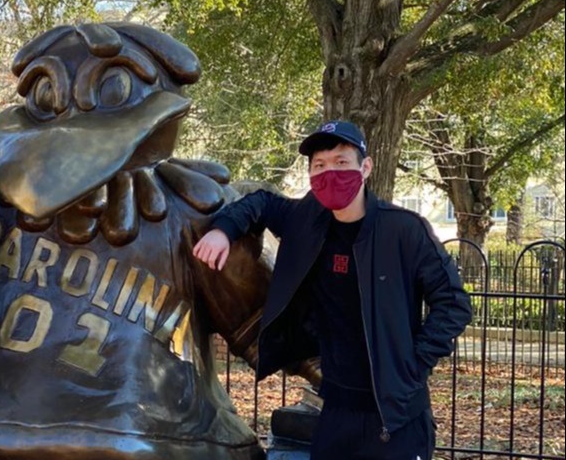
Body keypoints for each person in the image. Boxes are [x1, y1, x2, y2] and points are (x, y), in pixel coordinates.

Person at [194, 121, 472, 460]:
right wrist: (223, 230)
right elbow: (262, 203)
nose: (330, 174)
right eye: (319, 166)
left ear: (365, 167)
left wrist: (414, 363)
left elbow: (454, 303)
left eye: (341, 163)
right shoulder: (306, 222)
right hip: (335, 410)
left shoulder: (404, 230)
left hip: (394, 415)